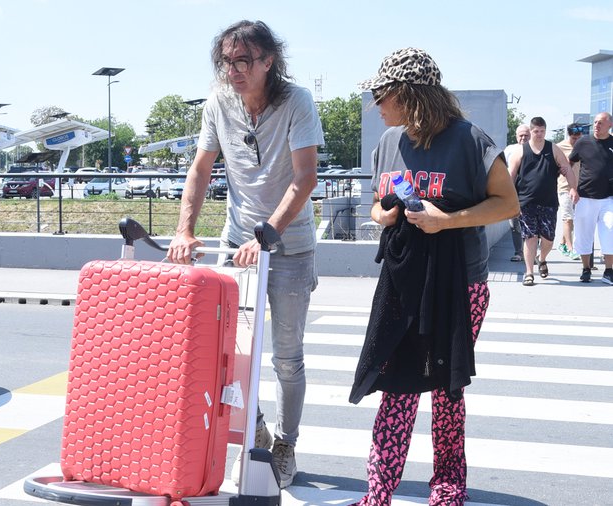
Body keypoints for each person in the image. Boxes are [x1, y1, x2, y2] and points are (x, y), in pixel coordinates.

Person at [349, 47, 519, 506]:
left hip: (460, 282)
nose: (375, 104)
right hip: (403, 280)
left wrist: (447, 220)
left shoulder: (470, 140)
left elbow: (508, 204)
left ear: (408, 93)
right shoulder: (388, 142)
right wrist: (384, 216)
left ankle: (447, 488)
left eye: (381, 94)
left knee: (446, 389)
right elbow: (377, 204)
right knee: (396, 387)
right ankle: (377, 494)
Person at [166, 20, 324, 488]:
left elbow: (306, 177)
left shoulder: (297, 102)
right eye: (226, 62)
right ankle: (253, 426)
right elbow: (201, 168)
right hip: (239, 244)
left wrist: (269, 233)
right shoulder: (218, 102)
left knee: (287, 356)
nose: (233, 70)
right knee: (228, 349)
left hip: (290, 245)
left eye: (243, 61)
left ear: (268, 61)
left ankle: (286, 443)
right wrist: (185, 229)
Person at [508, 116, 579, 286]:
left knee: (548, 238)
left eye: (542, 131)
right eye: (536, 131)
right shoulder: (520, 151)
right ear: (531, 131)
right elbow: (511, 176)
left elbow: (567, 169)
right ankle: (529, 272)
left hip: (548, 202)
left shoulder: (553, 149)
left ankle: (542, 258)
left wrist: (573, 188)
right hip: (526, 202)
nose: (539, 134)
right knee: (530, 237)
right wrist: (508, 198)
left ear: (545, 131)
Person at [568, 112, 613, 284]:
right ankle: (586, 269)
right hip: (585, 197)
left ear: (610, 125)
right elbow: (569, 164)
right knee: (583, 235)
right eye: (595, 122)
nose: (596, 125)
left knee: (610, 231)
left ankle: (609, 271)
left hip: (608, 198)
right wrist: (572, 188)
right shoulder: (583, 142)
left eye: (600, 123)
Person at [556, 123, 584, 260]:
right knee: (568, 219)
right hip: (565, 187)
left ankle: (562, 243)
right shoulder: (559, 147)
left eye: (579, 138)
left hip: (581, 189)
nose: (576, 141)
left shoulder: (584, 146)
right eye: (574, 138)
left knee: (574, 219)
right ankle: (571, 248)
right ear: (569, 135)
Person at [503, 124, 530, 261]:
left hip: (530, 192)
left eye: (526, 135)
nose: (523, 138)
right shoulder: (509, 150)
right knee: (514, 224)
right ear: (516, 136)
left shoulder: (536, 149)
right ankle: (518, 252)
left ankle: (531, 253)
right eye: (521, 135)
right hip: (512, 191)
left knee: (531, 224)